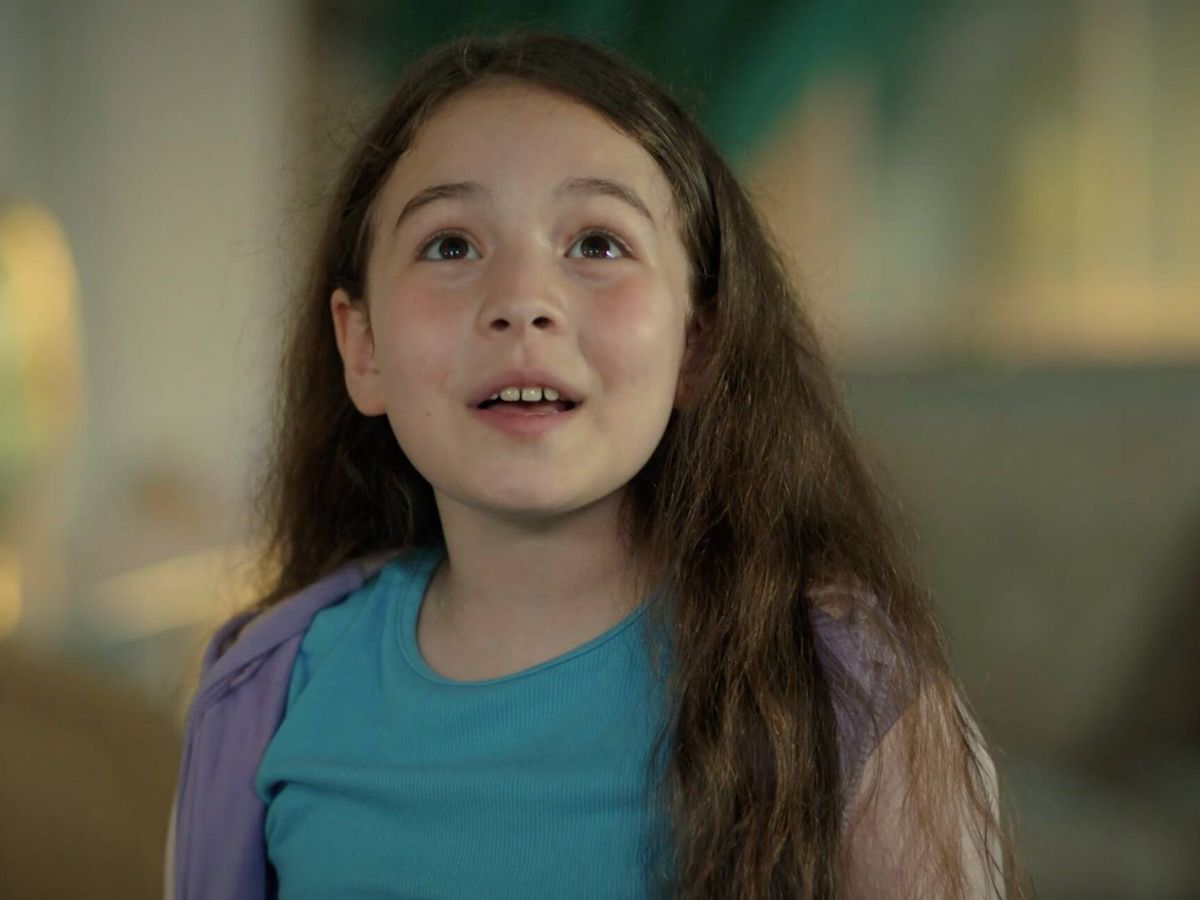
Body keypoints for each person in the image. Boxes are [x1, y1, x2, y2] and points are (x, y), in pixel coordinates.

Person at [167, 30, 1022, 900]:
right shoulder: (263, 691)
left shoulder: (841, 681)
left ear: (698, 342)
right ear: (363, 349)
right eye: (451, 245)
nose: (521, 303)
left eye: (599, 245)